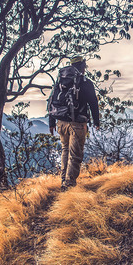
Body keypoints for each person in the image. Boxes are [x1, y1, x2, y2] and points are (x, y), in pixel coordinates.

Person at [49, 56, 100, 191]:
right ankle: (69, 185)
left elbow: (51, 100)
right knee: (75, 154)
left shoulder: (61, 81)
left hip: (61, 122)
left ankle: (63, 181)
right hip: (77, 123)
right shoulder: (85, 82)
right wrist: (96, 121)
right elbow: (93, 103)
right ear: (82, 66)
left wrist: (51, 122)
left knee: (65, 150)